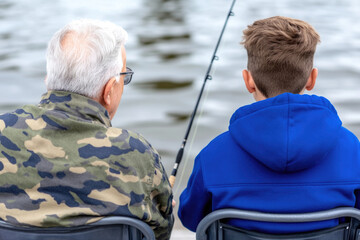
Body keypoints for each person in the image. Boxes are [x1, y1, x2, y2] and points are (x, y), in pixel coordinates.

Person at [178, 16, 360, 234]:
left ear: (248, 81)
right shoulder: (353, 150)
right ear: (312, 79)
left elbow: (191, 219)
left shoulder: (213, 154)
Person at [0, 19, 173, 240]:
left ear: (47, 80)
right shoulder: (137, 154)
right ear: (109, 90)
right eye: (124, 77)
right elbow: (160, 232)